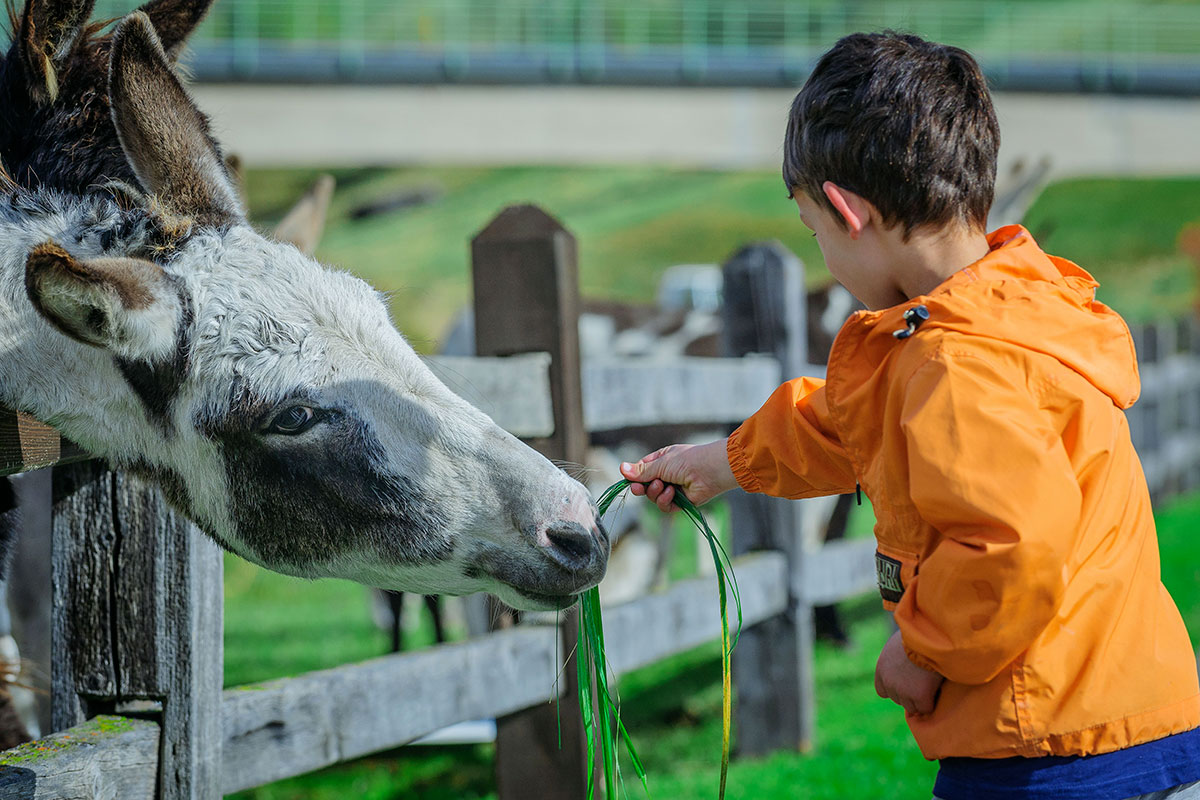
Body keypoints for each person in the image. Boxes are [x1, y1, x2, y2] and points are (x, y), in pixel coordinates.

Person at [619, 31, 1200, 800]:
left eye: (812, 230)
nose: (820, 251)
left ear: (844, 210)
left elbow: (1010, 549)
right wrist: (722, 464)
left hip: (1048, 749)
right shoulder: (1006, 313)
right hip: (1121, 719)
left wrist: (922, 653)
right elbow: (849, 423)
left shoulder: (959, 362)